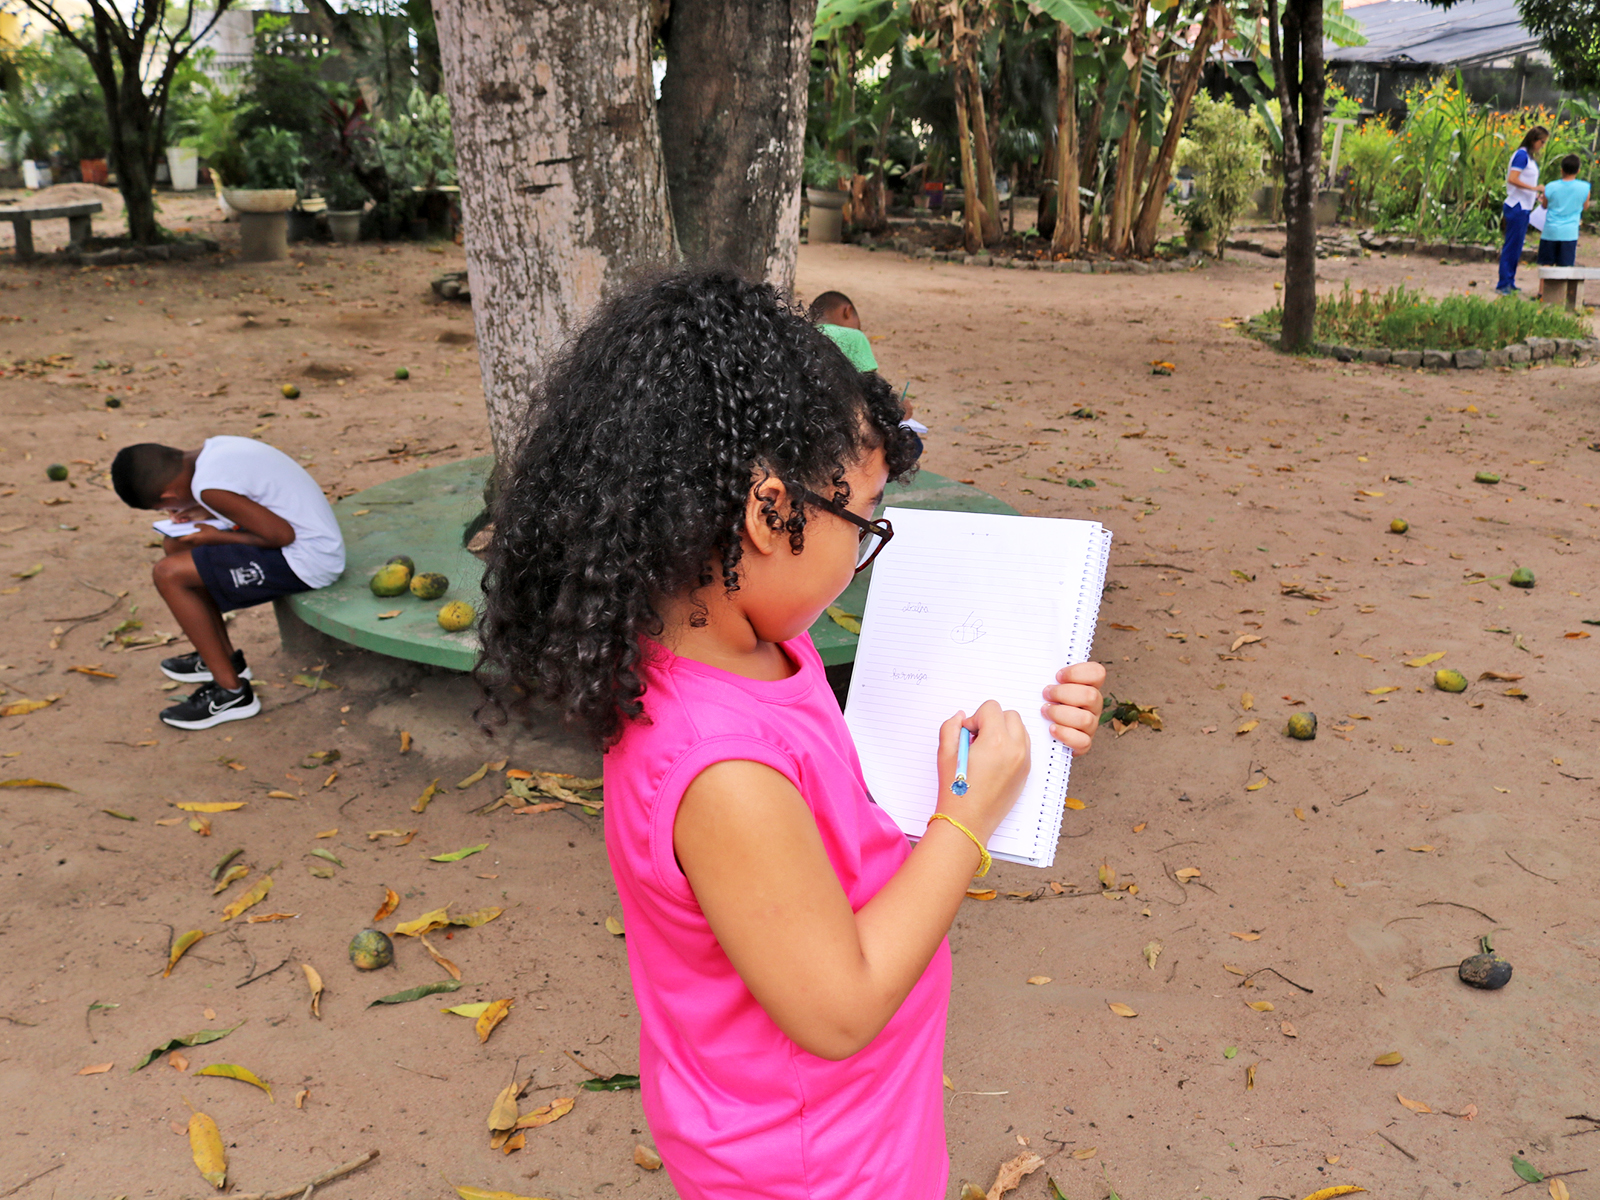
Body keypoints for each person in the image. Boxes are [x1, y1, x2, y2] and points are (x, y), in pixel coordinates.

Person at [476, 269, 1106, 1200]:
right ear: (770, 514)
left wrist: (1033, 701)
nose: (863, 552)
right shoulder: (722, 775)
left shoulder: (755, 643)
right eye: (864, 522)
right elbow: (839, 1009)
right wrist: (964, 822)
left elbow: (847, 786)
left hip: (854, 1121)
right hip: (809, 1166)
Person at [110, 438, 345, 729]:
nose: (169, 513)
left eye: (164, 507)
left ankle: (232, 693)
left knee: (167, 574)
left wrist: (215, 536)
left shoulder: (207, 489)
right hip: (305, 541)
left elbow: (281, 536)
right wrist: (205, 514)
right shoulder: (214, 450)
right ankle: (221, 659)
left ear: (169, 495)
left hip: (308, 560)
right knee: (176, 544)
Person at [808, 288, 927, 454]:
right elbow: (871, 393)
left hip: (803, 430)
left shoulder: (799, 335)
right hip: (839, 434)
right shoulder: (853, 336)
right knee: (913, 445)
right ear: (847, 311)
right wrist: (898, 411)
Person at [1498, 126, 1548, 294]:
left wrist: (1534, 195)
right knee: (1512, 246)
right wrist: (1534, 188)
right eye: (1542, 142)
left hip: (1524, 205)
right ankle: (1504, 283)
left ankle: (1509, 280)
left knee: (1516, 247)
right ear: (1534, 140)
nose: (1542, 146)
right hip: (1517, 206)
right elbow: (1513, 179)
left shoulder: (1528, 157)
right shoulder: (1522, 156)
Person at [1537, 153, 1590, 271]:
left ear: (1561, 170)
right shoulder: (1585, 187)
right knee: (1565, 268)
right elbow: (1585, 206)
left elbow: (1544, 206)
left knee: (1546, 265)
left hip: (1550, 231)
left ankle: (1544, 284)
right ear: (1578, 170)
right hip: (1569, 233)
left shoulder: (1550, 186)